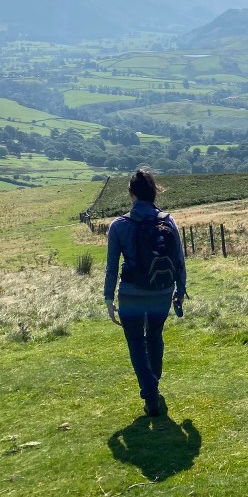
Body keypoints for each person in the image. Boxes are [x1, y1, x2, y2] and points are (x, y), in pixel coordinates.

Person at [104, 169, 186, 417]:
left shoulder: (119, 226)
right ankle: (153, 385)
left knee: (136, 343)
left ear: (131, 194)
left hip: (131, 293)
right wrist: (180, 290)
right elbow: (179, 259)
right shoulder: (168, 221)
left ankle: (150, 392)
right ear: (153, 192)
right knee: (154, 337)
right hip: (162, 290)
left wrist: (109, 298)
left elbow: (111, 266)